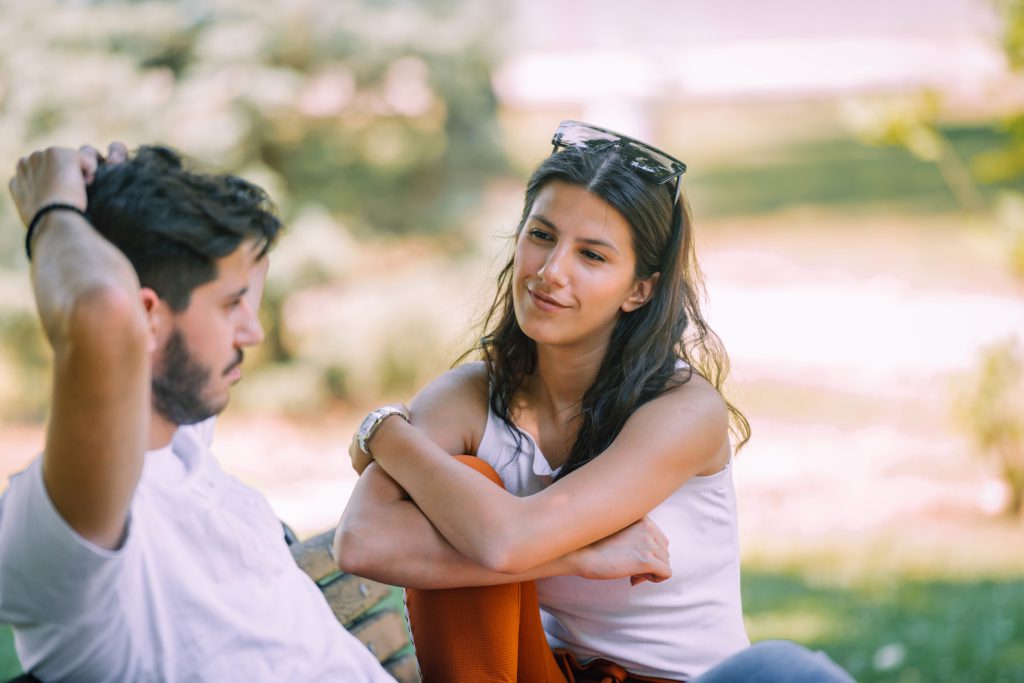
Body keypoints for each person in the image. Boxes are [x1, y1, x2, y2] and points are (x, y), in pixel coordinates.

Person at [335, 121, 855, 682]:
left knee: (783, 669)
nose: (551, 271)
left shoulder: (680, 411)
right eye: (541, 235)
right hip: (546, 674)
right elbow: (362, 541)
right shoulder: (470, 396)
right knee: (466, 480)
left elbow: (511, 541)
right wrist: (578, 557)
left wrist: (385, 436)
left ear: (640, 289)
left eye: (592, 255)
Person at [0, 145, 391, 681]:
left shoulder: (182, 440)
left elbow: (245, 259)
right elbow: (101, 312)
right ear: (146, 317)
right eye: (231, 305)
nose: (252, 331)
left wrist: (125, 182)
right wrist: (51, 210)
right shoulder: (68, 527)